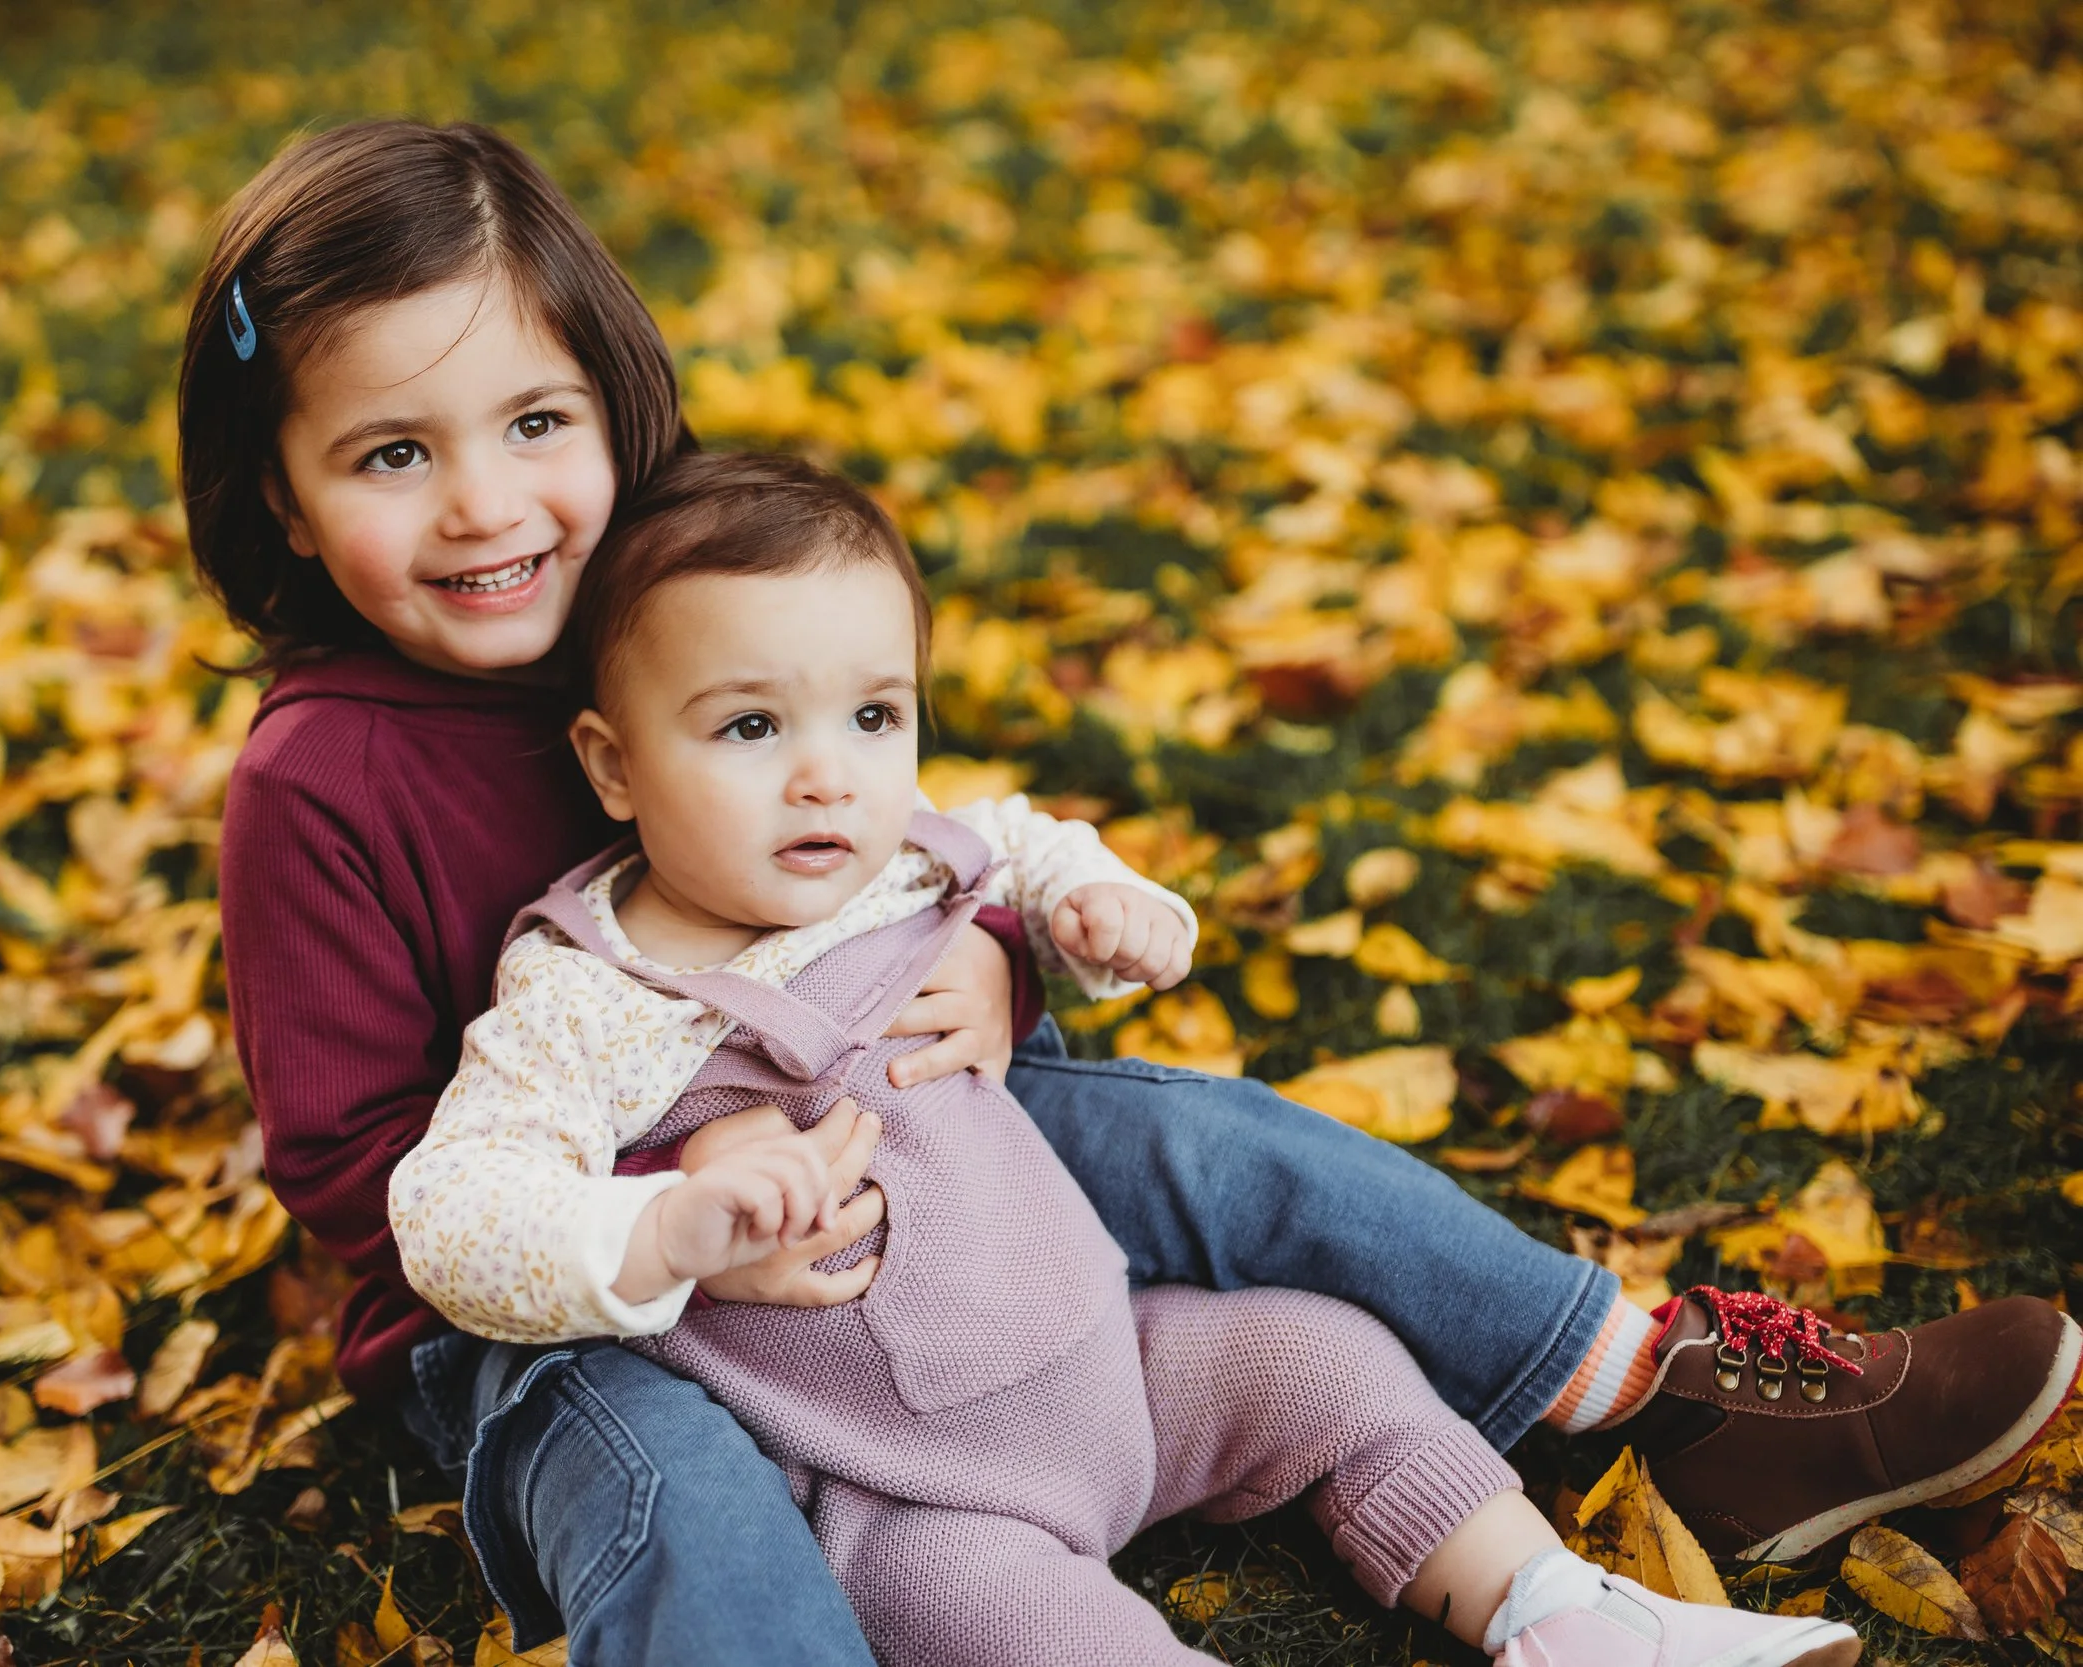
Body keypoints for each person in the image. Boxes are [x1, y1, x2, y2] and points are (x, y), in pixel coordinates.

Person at [189, 117, 2082, 1666]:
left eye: (535, 424)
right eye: (389, 453)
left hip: (876, 1125)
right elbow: (368, 1182)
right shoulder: (318, 784)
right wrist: (672, 1222)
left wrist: (1011, 969)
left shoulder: (664, 597)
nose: (485, 507)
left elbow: (907, 837)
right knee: (683, 1503)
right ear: (280, 495)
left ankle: (1647, 1390)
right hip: (557, 1294)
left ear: (613, 399)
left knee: (1227, 1153)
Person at [391, 449, 1868, 1667]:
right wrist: (654, 1227)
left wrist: (1103, 911)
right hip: (917, 1493)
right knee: (1027, 1624)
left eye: (875, 713)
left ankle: (1552, 1609)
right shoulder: (589, 992)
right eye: (752, 725)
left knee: (1324, 1356)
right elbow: (453, 1204)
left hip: (1126, 1367)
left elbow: (1031, 845)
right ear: (611, 761)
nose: (828, 771)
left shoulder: (908, 857)